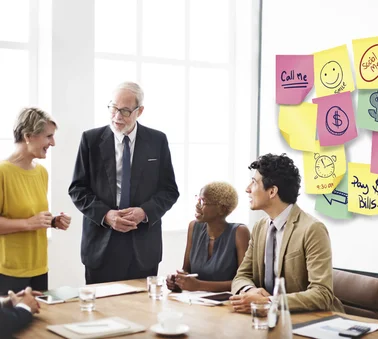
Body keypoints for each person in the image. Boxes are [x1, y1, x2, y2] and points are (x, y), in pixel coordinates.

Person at [69, 81, 180, 284]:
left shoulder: (157, 141)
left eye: (126, 111)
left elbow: (169, 190)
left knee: (142, 313)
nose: (117, 116)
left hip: (143, 246)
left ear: (140, 111)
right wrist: (106, 215)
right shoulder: (90, 140)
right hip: (101, 244)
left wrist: (144, 212)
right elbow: (77, 189)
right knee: (102, 313)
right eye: (113, 108)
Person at [230, 153, 344, 313]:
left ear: (272, 192)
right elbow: (241, 276)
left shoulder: (312, 229)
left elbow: (322, 294)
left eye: (254, 182)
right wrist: (250, 291)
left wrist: (269, 302)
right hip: (269, 319)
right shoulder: (259, 227)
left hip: (309, 320)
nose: (247, 189)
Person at [0, 108, 71, 295]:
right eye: (48, 136)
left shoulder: (41, 172)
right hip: (8, 271)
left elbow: (30, 213)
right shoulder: (2, 172)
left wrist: (53, 222)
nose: (52, 143)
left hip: (39, 268)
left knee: (39, 322)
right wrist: (28, 223)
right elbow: (27, 220)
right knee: (13, 323)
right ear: (28, 136)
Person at [166, 182, 250, 292]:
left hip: (228, 303)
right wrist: (178, 280)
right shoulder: (194, 227)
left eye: (203, 202)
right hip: (196, 302)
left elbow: (244, 281)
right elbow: (186, 270)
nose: (197, 206)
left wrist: (199, 286)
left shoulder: (239, 232)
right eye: (198, 200)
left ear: (222, 209)